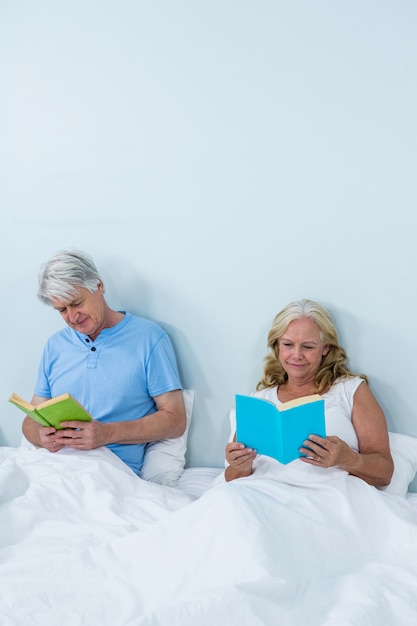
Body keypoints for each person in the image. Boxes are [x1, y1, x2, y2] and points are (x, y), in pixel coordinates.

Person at [22, 249, 186, 475]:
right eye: (61, 310)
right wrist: (40, 436)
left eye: (77, 303)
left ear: (98, 286)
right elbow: (31, 420)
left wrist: (107, 433)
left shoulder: (149, 339)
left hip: (107, 472)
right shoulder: (55, 345)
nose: (72, 317)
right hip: (54, 466)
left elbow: (175, 420)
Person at [225, 298, 394, 487]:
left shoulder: (350, 390)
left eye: (308, 346)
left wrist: (348, 459)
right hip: (264, 493)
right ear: (277, 346)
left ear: (325, 348)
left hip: (327, 496)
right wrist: (240, 465)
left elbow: (385, 473)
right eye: (288, 344)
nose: (296, 355)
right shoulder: (259, 402)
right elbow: (232, 478)